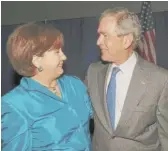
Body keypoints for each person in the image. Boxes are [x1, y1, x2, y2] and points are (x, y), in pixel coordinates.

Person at [86, 8, 168, 151]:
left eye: (105, 35)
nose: (98, 42)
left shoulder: (160, 80)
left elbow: (165, 135)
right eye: (99, 35)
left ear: (126, 40)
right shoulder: (93, 72)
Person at [2, 22, 93, 151]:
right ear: (36, 60)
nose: (64, 56)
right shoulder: (14, 105)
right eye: (57, 52)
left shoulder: (74, 85)